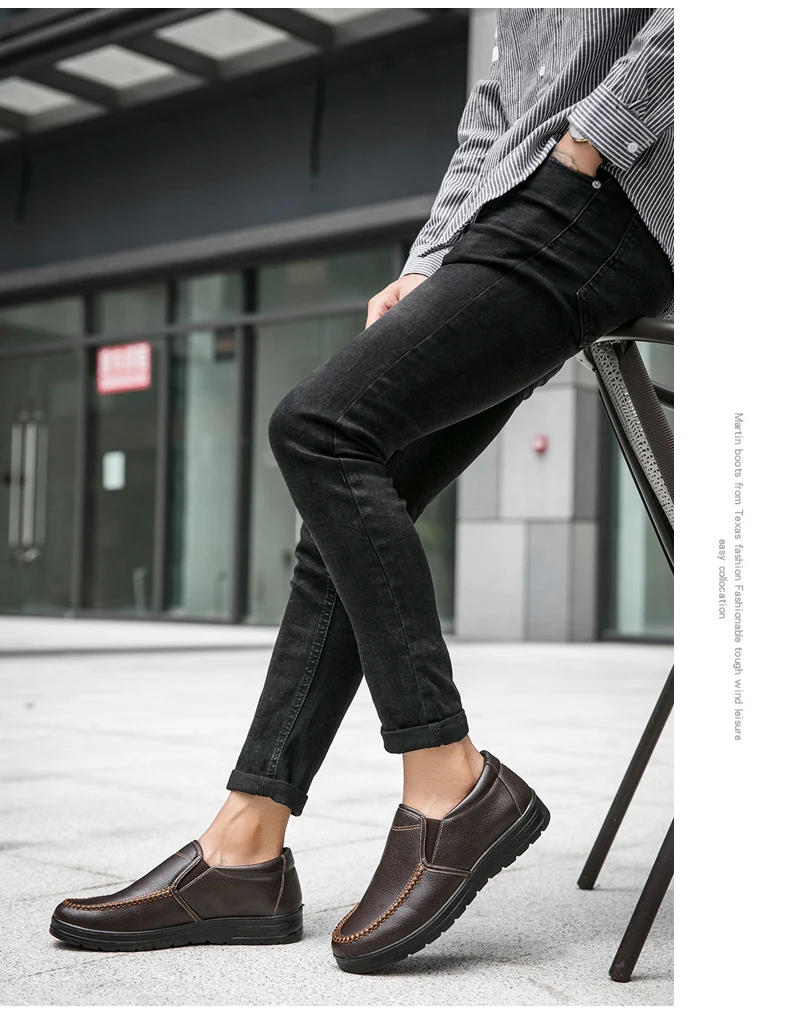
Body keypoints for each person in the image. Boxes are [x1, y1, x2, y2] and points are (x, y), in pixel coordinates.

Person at [50, 8, 673, 972]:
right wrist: (431, 255)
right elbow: (494, 103)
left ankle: (449, 780)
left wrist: (592, 143)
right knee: (343, 494)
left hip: (600, 196)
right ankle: (246, 846)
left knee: (320, 427)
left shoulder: (595, 157)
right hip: (521, 206)